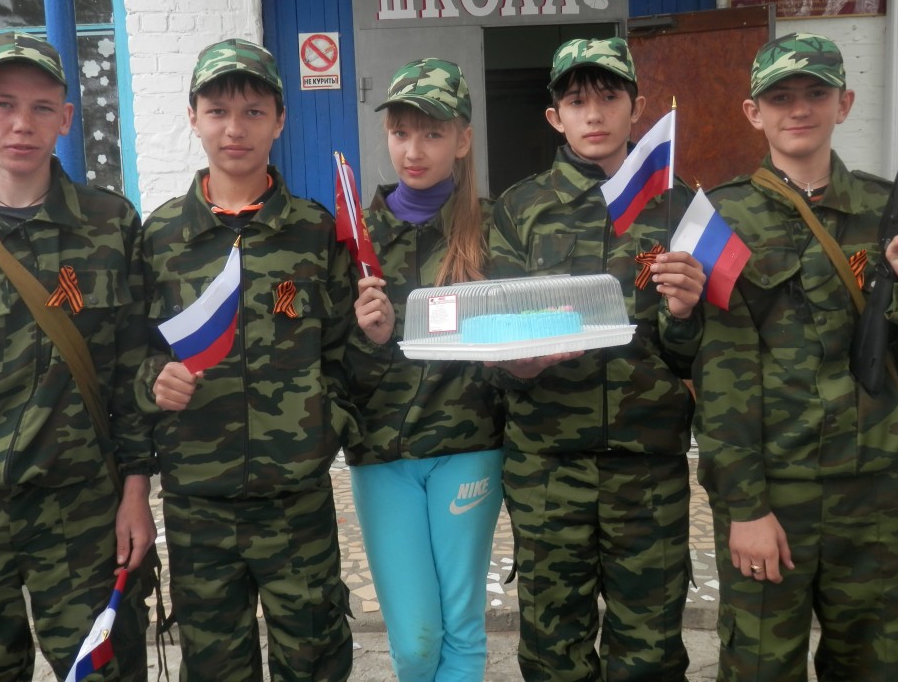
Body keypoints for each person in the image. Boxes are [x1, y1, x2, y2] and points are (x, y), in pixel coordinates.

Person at [691, 32, 898, 681]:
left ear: (845, 103)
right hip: (776, 495)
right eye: (780, 97)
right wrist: (746, 507)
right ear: (753, 112)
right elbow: (719, 378)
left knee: (870, 668)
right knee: (758, 668)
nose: (799, 109)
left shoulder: (896, 210)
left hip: (879, 496)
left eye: (815, 93)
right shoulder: (718, 218)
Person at [0, 32, 156, 681]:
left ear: (66, 118)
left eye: (41, 107)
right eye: (2, 104)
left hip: (83, 513)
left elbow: (132, 368)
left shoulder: (111, 225)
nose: (21, 124)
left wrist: (137, 490)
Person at [135, 38, 360, 682]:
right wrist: (154, 380)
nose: (235, 128)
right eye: (218, 111)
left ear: (280, 120)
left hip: (296, 503)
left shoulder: (314, 232)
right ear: (193, 118)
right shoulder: (161, 237)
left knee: (313, 659)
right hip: (198, 505)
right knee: (214, 667)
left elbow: (347, 353)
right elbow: (130, 352)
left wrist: (325, 428)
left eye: (254, 112)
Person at [488, 37, 706, 681]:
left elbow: (696, 355)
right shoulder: (520, 209)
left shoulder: (680, 206)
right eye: (577, 101)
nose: (594, 114)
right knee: (553, 652)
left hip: (648, 467)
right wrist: (515, 364)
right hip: (547, 467)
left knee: (650, 653)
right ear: (554, 116)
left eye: (609, 97)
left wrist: (686, 314)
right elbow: (494, 334)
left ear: (636, 107)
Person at [345, 58, 504, 680]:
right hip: (382, 454)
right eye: (401, 132)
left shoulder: (494, 228)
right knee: (414, 640)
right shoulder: (353, 237)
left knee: (461, 626)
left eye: (433, 133)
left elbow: (519, 338)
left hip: (469, 448)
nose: (414, 150)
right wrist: (375, 339)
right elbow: (334, 362)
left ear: (463, 140)